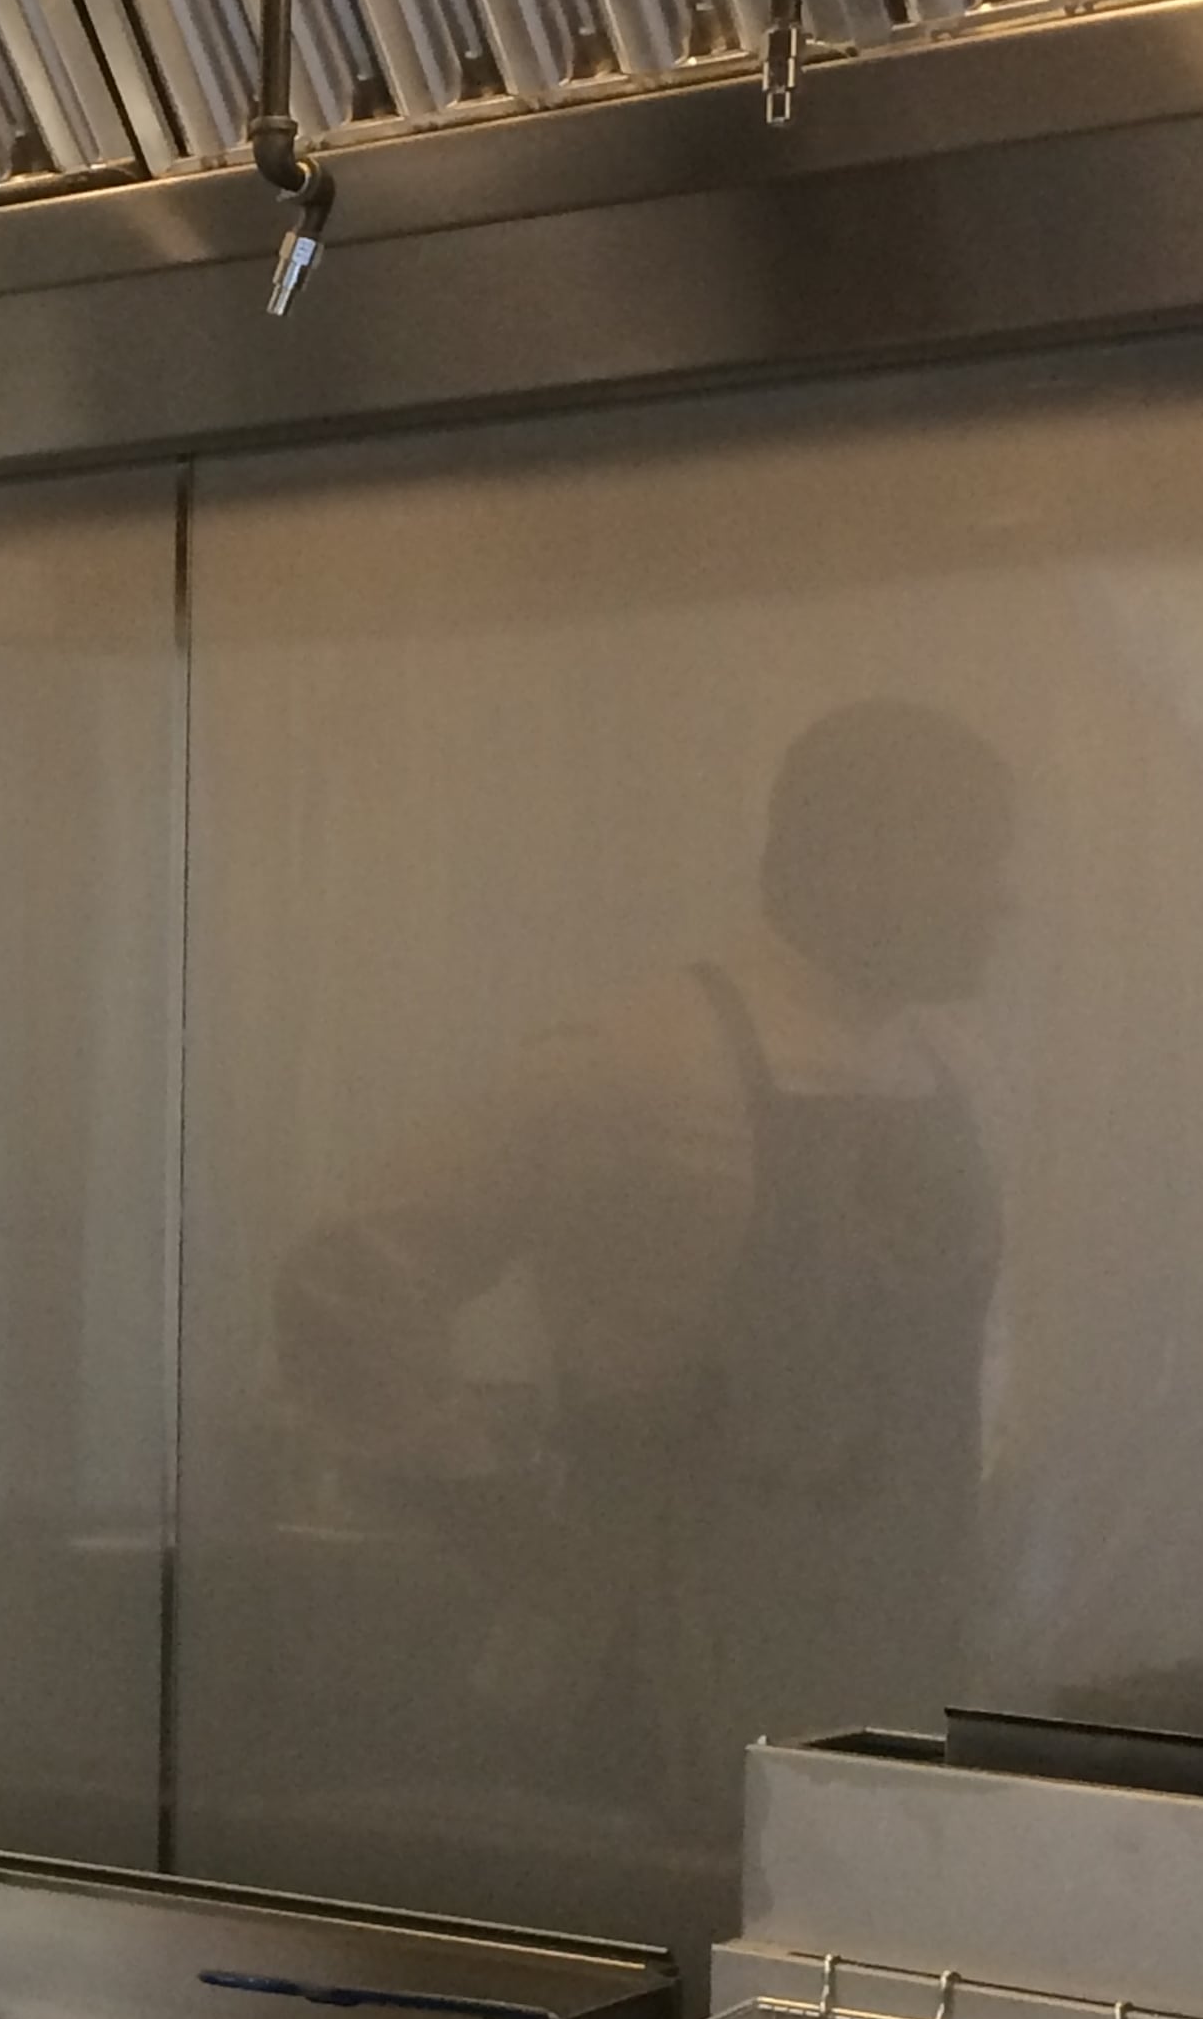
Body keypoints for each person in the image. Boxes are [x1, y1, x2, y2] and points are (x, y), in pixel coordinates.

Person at [264, 699, 1014, 1836]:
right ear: (842, 856)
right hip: (661, 1685)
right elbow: (348, 1277)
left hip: (893, 1669)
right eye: (969, 855)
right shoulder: (638, 1064)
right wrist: (497, 1519)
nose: (1000, 898)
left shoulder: (934, 1064)